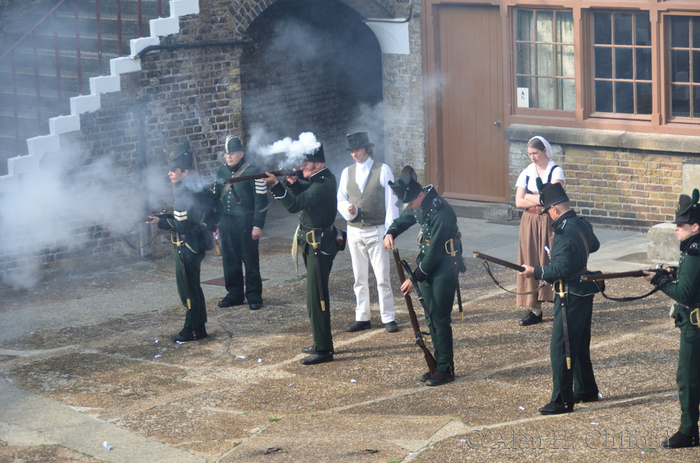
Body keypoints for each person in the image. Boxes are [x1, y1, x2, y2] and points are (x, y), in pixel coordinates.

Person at [520, 181, 600, 414]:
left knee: (561, 348)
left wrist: (534, 271)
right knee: (580, 345)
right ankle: (586, 389)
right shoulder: (581, 224)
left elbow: (559, 270)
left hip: (570, 295)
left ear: (554, 209)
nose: (549, 217)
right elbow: (593, 245)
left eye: (548, 213)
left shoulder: (563, 232)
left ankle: (563, 400)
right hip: (584, 291)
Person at [383, 172, 465, 386]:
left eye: (411, 202)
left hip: (444, 267)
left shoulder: (440, 211)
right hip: (428, 266)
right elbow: (404, 220)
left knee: (439, 318)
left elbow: (436, 250)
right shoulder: (420, 203)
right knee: (430, 316)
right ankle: (437, 364)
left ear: (420, 195)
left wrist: (414, 278)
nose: (409, 207)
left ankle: (446, 367)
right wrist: (391, 231)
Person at [262, 144, 338, 365]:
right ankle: (319, 341)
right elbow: (304, 194)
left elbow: (295, 205)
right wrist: (293, 183)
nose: (301, 166)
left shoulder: (322, 185)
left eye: (305, 163)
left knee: (318, 296)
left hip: (319, 245)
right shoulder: (319, 179)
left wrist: (277, 186)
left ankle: (324, 349)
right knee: (312, 297)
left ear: (317, 163)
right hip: (312, 243)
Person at [643, 190, 700, 449]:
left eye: (682, 225)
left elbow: (683, 292)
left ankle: (688, 432)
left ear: (695, 226)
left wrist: (658, 280)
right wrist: (675, 272)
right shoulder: (692, 249)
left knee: (687, 379)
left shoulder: (693, 253)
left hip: (694, 325)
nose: (676, 228)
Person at [148, 142, 217, 342]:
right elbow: (214, 205)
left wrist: (160, 222)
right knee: (194, 287)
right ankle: (200, 327)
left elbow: (181, 226)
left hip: (187, 246)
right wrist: (209, 225)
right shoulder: (194, 189)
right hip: (195, 243)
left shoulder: (183, 194)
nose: (170, 174)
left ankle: (191, 328)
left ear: (185, 172)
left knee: (187, 290)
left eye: (174, 170)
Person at [337, 132, 399, 333]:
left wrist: (390, 232)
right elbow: (341, 199)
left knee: (382, 277)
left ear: (368, 149)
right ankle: (362, 316)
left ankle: (388, 316)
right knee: (359, 278)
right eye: (352, 150)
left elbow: (392, 203)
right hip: (355, 231)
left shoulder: (383, 170)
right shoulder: (347, 172)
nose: (354, 153)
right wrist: (348, 210)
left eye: (358, 149)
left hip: (377, 229)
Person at [213, 135, 268, 311]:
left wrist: (257, 225)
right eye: (227, 154)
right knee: (229, 260)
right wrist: (215, 224)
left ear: (241, 154)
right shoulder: (220, 173)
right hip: (226, 222)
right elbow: (216, 200)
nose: (229, 157)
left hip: (246, 222)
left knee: (250, 261)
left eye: (233, 153)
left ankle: (254, 295)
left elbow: (261, 200)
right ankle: (234, 294)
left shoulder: (253, 172)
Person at [515, 136, 564, 326]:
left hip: (548, 220)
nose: (532, 157)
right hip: (529, 221)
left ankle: (559, 301)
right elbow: (519, 202)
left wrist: (530, 195)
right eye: (529, 154)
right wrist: (540, 198)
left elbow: (553, 198)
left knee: (552, 258)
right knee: (529, 259)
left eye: (535, 153)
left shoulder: (555, 170)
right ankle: (535, 309)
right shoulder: (527, 172)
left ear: (544, 151)